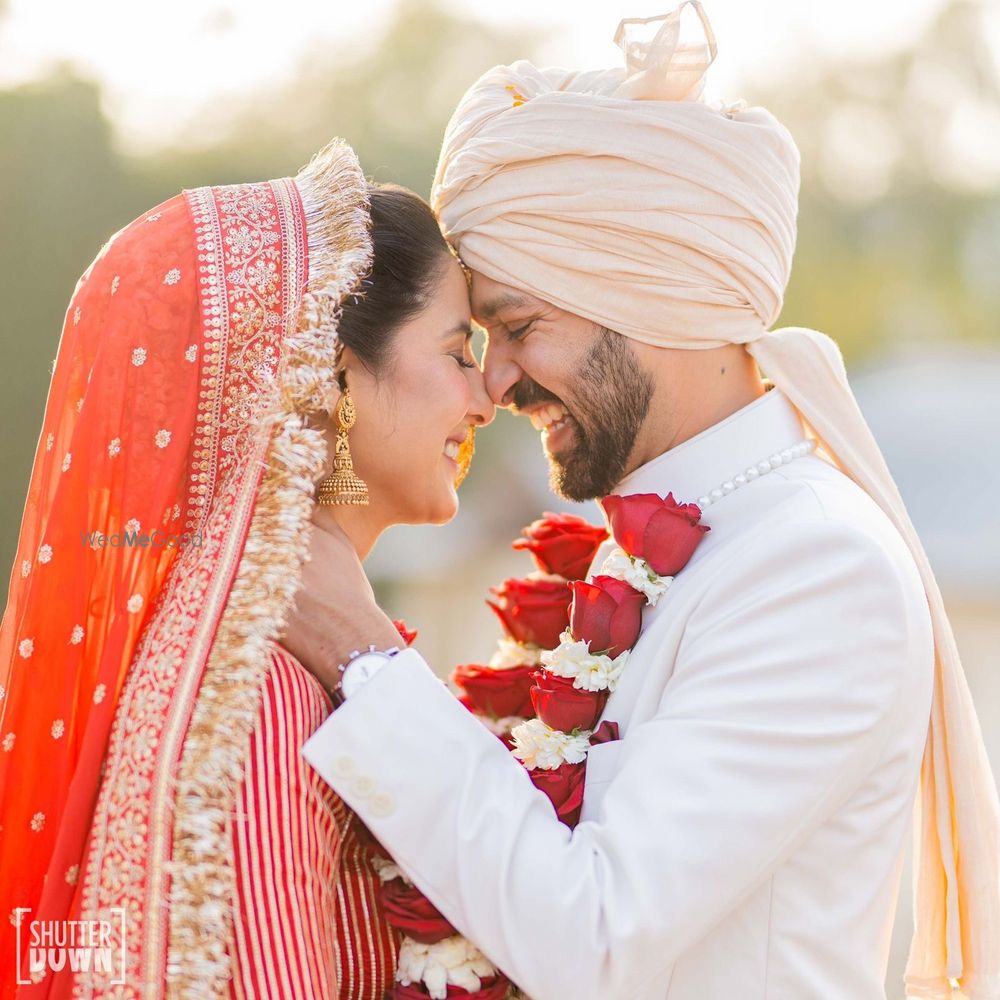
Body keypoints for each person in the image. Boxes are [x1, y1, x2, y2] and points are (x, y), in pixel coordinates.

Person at [286, 5, 1000, 1000]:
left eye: (518, 325)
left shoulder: (814, 566)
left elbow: (597, 939)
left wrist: (361, 653)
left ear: (654, 295)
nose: (494, 387)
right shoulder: (661, 547)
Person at [0, 140, 493, 996]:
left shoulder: (274, 669)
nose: (487, 398)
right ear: (336, 377)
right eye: (459, 354)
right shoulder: (260, 702)